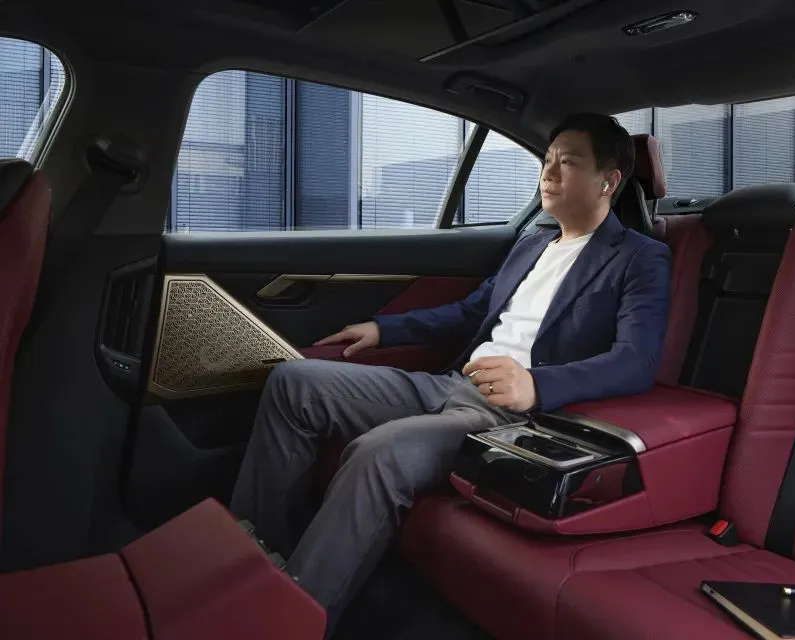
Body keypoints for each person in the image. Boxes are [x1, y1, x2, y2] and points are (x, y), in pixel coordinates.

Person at [229, 113, 672, 633]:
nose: (548, 173)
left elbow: (636, 360)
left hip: (511, 416)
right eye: (547, 160)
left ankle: (291, 620)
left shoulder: (640, 257)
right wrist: (384, 329)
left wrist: (536, 385)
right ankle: (257, 558)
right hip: (449, 383)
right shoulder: (532, 244)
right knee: (294, 383)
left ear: (608, 181)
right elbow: (469, 311)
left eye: (568, 163)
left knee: (379, 452)